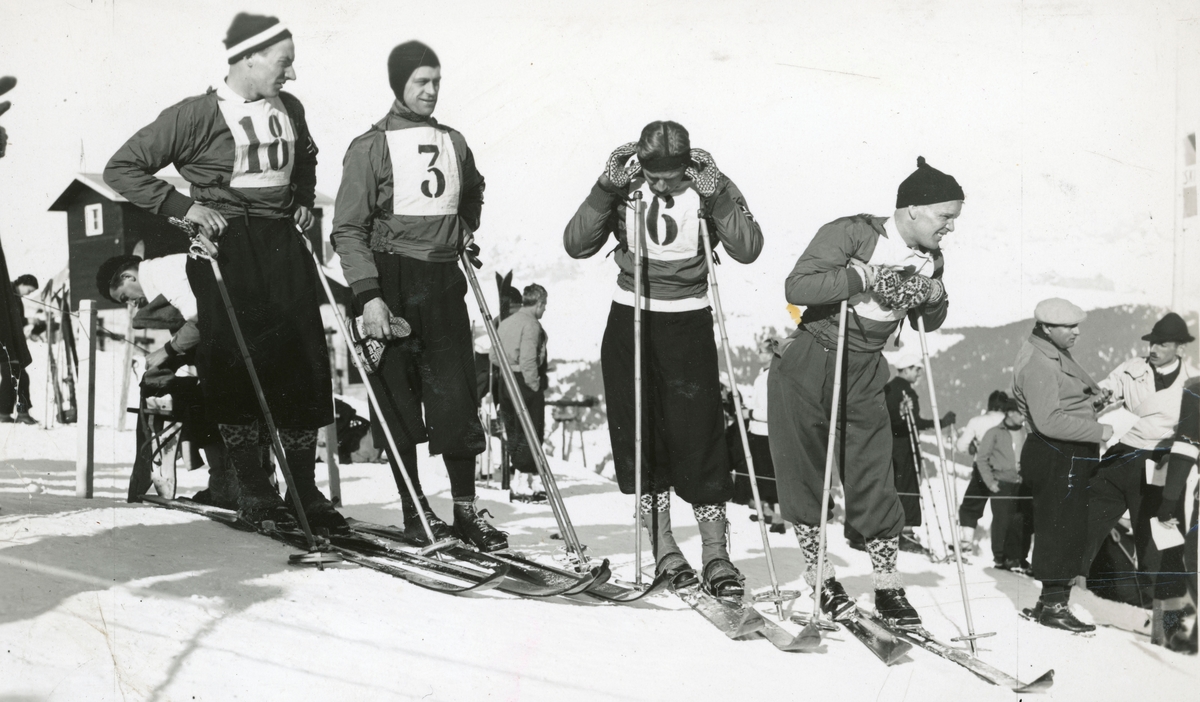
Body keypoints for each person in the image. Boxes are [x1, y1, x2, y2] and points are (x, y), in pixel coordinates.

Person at [103, 13, 342, 531]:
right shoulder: (196, 114)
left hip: (282, 246)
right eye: (284, 62)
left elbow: (305, 160)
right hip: (225, 247)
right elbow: (121, 168)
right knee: (235, 366)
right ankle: (252, 488)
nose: (292, 73)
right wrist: (182, 206)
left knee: (300, 364)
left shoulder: (290, 107)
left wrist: (302, 200)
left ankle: (303, 488)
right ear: (249, 58)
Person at [564, 120, 763, 597]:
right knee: (641, 435)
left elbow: (749, 248)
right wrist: (605, 187)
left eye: (671, 178)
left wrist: (717, 195)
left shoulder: (709, 182)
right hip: (631, 317)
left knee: (700, 436)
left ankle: (715, 553)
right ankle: (664, 548)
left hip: (687, 320)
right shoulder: (627, 182)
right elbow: (576, 244)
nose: (661, 186)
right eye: (654, 176)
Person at [769, 156, 961, 627]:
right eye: (945, 216)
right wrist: (864, 277)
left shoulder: (931, 258)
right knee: (806, 472)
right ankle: (819, 575)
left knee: (874, 472)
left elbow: (928, 322)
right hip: (813, 358)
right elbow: (798, 286)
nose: (951, 227)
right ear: (913, 209)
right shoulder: (853, 233)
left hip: (867, 368)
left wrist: (933, 295)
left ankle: (888, 586)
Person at [329, 41, 504, 552]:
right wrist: (368, 296)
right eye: (420, 82)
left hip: (443, 280)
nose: (430, 91)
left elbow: (473, 190)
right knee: (398, 399)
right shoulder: (371, 146)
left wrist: (462, 229)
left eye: (436, 82)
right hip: (391, 281)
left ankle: (466, 510)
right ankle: (414, 509)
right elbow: (348, 229)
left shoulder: (454, 141)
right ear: (399, 84)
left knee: (456, 395)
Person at [1083, 312, 1196, 636]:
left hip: (1163, 464)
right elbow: (1104, 390)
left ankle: (1169, 631)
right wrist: (1099, 398)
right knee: (1086, 522)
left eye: (1163, 344)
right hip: (1124, 454)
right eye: (1152, 343)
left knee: (1159, 549)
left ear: (1179, 348)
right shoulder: (1132, 369)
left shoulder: (1192, 382)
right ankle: (1063, 599)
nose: (1154, 349)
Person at [97, 254, 236, 509]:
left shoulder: (163, 272)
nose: (133, 304)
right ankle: (225, 483)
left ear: (128, 276)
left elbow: (201, 317)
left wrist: (168, 351)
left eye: (125, 297)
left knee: (213, 404)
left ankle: (232, 486)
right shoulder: (160, 276)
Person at [1011, 297, 1111, 633]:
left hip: (1065, 453)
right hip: (1058, 453)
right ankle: (1055, 607)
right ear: (1046, 327)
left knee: (1064, 525)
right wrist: (1100, 431)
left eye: (1076, 325)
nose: (1076, 332)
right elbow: (1049, 421)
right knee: (1061, 528)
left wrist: (1091, 402)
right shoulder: (1039, 362)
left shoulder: (1050, 352)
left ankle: (1048, 602)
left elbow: (1064, 399)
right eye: (1068, 326)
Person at [868, 346, 955, 554]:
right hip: (905, 446)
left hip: (888, 445)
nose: (918, 374)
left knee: (893, 485)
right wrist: (941, 423)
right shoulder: (907, 392)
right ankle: (906, 532)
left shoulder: (888, 389)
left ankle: (889, 528)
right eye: (916, 370)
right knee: (909, 485)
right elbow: (913, 421)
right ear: (906, 369)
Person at [493, 283, 549, 502]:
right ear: (539, 303)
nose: (545, 309)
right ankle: (524, 486)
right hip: (524, 381)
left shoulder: (506, 322)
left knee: (515, 431)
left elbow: (493, 356)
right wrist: (534, 385)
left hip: (505, 380)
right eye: (545, 305)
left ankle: (520, 483)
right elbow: (528, 359)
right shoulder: (531, 324)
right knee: (531, 431)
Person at [1157, 375, 1200, 653]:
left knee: (1187, 561)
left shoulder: (1195, 390)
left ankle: (1171, 632)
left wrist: (1168, 500)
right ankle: (1180, 633)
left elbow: (1185, 450)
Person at [975, 398, 1033, 572]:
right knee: (1002, 521)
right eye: (1021, 413)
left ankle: (1019, 557)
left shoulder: (1026, 432)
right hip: (1002, 482)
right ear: (1010, 413)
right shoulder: (994, 432)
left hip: (1022, 483)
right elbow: (981, 459)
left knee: (1022, 521)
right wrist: (991, 482)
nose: (1023, 416)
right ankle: (1000, 558)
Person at [956, 390, 1011, 553]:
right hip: (1006, 470)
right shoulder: (1011, 422)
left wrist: (973, 448)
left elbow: (961, 446)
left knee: (970, 506)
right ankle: (1005, 552)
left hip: (982, 469)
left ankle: (966, 543)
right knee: (1004, 512)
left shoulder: (977, 421)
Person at [741, 337, 785, 533]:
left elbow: (771, 412)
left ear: (771, 355)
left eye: (761, 351)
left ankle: (778, 518)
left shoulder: (771, 377)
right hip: (757, 432)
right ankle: (766, 511)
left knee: (769, 476)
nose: (757, 354)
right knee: (761, 474)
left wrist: (749, 414)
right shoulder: (763, 375)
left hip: (766, 434)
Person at [0, 273, 38, 424]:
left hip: (10, 344)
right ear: (22, 283)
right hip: (5, 344)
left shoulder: (13, 295)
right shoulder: (6, 292)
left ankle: (6, 412)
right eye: (29, 290)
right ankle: (17, 413)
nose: (29, 293)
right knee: (16, 376)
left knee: (14, 376)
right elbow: (8, 319)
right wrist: (28, 320)